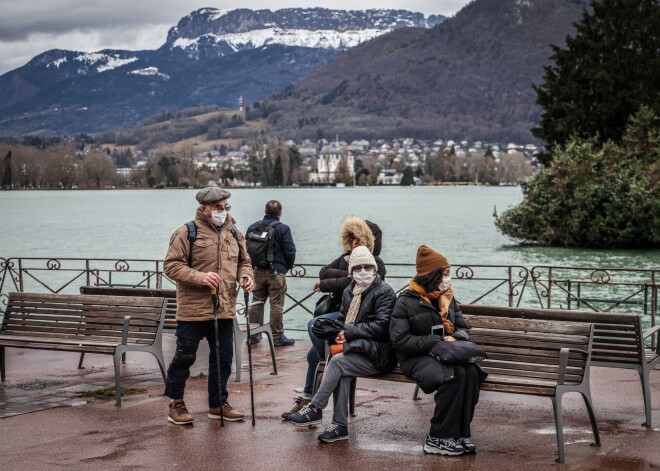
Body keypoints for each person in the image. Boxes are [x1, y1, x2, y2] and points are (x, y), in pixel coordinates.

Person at [163, 187, 254, 425]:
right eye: (217, 208)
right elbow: (171, 266)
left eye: (225, 208)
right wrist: (200, 277)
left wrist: (246, 276)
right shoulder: (186, 232)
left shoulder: (234, 233)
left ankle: (218, 403)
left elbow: (245, 261)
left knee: (223, 359)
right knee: (184, 357)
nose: (222, 212)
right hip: (193, 310)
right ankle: (175, 402)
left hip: (224, 308)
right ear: (204, 208)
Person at [287, 246, 397, 442]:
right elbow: (345, 320)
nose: (363, 271)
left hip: (380, 353)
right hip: (358, 349)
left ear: (374, 269)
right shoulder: (349, 291)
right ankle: (339, 425)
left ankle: (315, 408)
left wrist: (348, 332)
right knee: (341, 367)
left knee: (337, 362)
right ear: (351, 272)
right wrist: (338, 332)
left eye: (367, 267)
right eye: (358, 268)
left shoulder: (384, 292)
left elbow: (382, 327)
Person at [280, 217, 386, 418]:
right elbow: (323, 273)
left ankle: (331, 364)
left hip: (358, 318)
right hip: (341, 313)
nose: (354, 242)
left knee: (314, 325)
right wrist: (344, 275)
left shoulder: (375, 263)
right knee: (312, 355)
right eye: (352, 238)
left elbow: (345, 283)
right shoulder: (346, 259)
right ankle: (307, 397)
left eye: (358, 238)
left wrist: (336, 281)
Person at [389, 245, 485, 455]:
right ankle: (437, 436)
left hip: (445, 353)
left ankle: (460, 433)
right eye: (445, 273)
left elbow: (463, 328)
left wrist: (455, 337)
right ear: (432, 275)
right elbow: (400, 341)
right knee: (454, 375)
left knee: (470, 373)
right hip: (414, 357)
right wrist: (437, 340)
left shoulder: (447, 297)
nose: (448, 278)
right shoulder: (405, 302)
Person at [247, 200, 297, 347]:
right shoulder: (283, 229)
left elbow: (246, 248)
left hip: (257, 271)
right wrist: (285, 268)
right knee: (276, 305)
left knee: (256, 302)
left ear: (265, 210)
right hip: (276, 273)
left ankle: (254, 335)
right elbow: (290, 251)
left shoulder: (253, 226)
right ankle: (276, 336)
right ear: (280, 213)